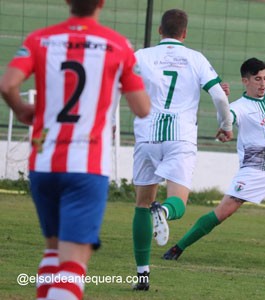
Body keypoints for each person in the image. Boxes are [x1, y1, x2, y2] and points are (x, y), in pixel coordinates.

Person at [0, 0, 150, 299]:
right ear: (102, 3)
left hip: (44, 162)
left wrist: (20, 110)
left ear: (67, 1)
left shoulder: (40, 39)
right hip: (86, 164)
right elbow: (142, 108)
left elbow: (7, 85)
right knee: (73, 264)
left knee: (53, 252)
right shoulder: (117, 45)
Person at [162, 57, 265, 263]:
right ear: (245, 81)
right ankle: (178, 248)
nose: (263, 83)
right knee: (222, 213)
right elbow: (226, 118)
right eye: (257, 79)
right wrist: (223, 119)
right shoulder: (240, 107)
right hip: (253, 173)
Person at [131, 8, 233, 290]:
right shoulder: (195, 59)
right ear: (185, 34)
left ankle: (142, 274)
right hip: (180, 136)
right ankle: (163, 211)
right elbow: (219, 97)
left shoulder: (142, 56)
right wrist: (226, 125)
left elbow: (120, 84)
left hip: (147, 135)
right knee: (177, 202)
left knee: (141, 205)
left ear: (159, 30)